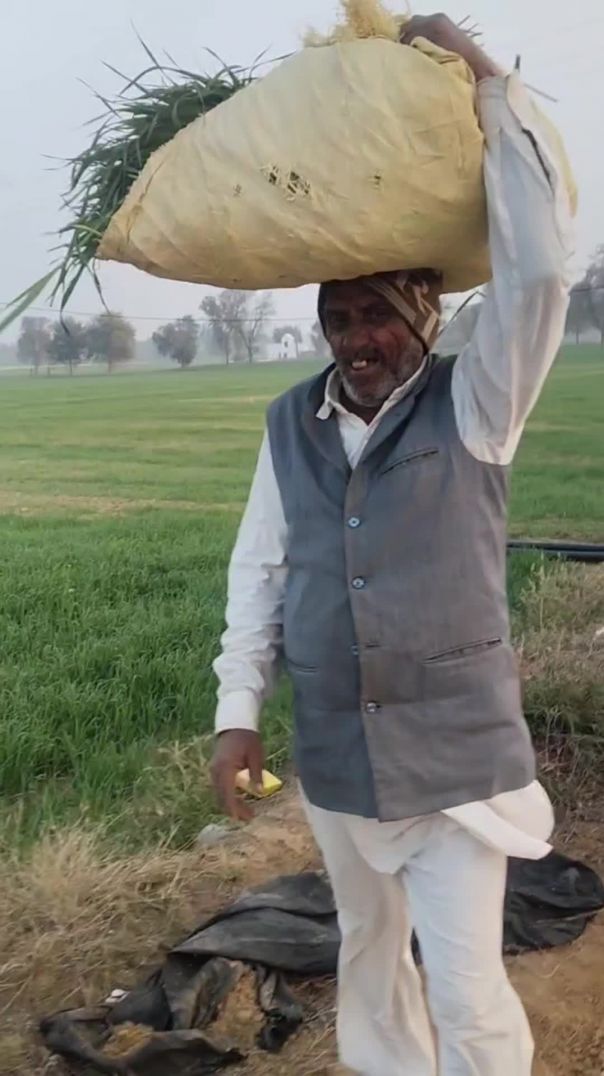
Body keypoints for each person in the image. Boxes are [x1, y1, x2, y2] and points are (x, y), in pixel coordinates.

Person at [211, 14, 573, 1076]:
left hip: (455, 761)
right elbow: (262, 567)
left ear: (421, 317)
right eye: (338, 317)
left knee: (464, 984)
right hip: (337, 753)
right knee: (368, 952)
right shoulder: (290, 422)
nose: (356, 339)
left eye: (375, 314)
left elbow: (538, 280)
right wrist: (238, 710)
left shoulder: (478, 404)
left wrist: (490, 84)